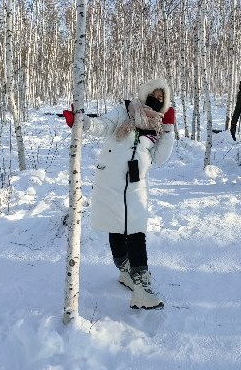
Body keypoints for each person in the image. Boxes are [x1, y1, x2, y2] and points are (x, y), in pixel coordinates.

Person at [64, 78, 176, 310]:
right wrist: (81, 122)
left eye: (162, 97)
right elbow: (103, 126)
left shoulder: (157, 124)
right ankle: (126, 271)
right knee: (115, 224)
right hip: (111, 177)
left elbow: (159, 158)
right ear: (145, 93)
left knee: (136, 228)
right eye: (154, 94)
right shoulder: (125, 110)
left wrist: (169, 130)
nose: (157, 99)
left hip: (136, 182)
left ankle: (140, 286)